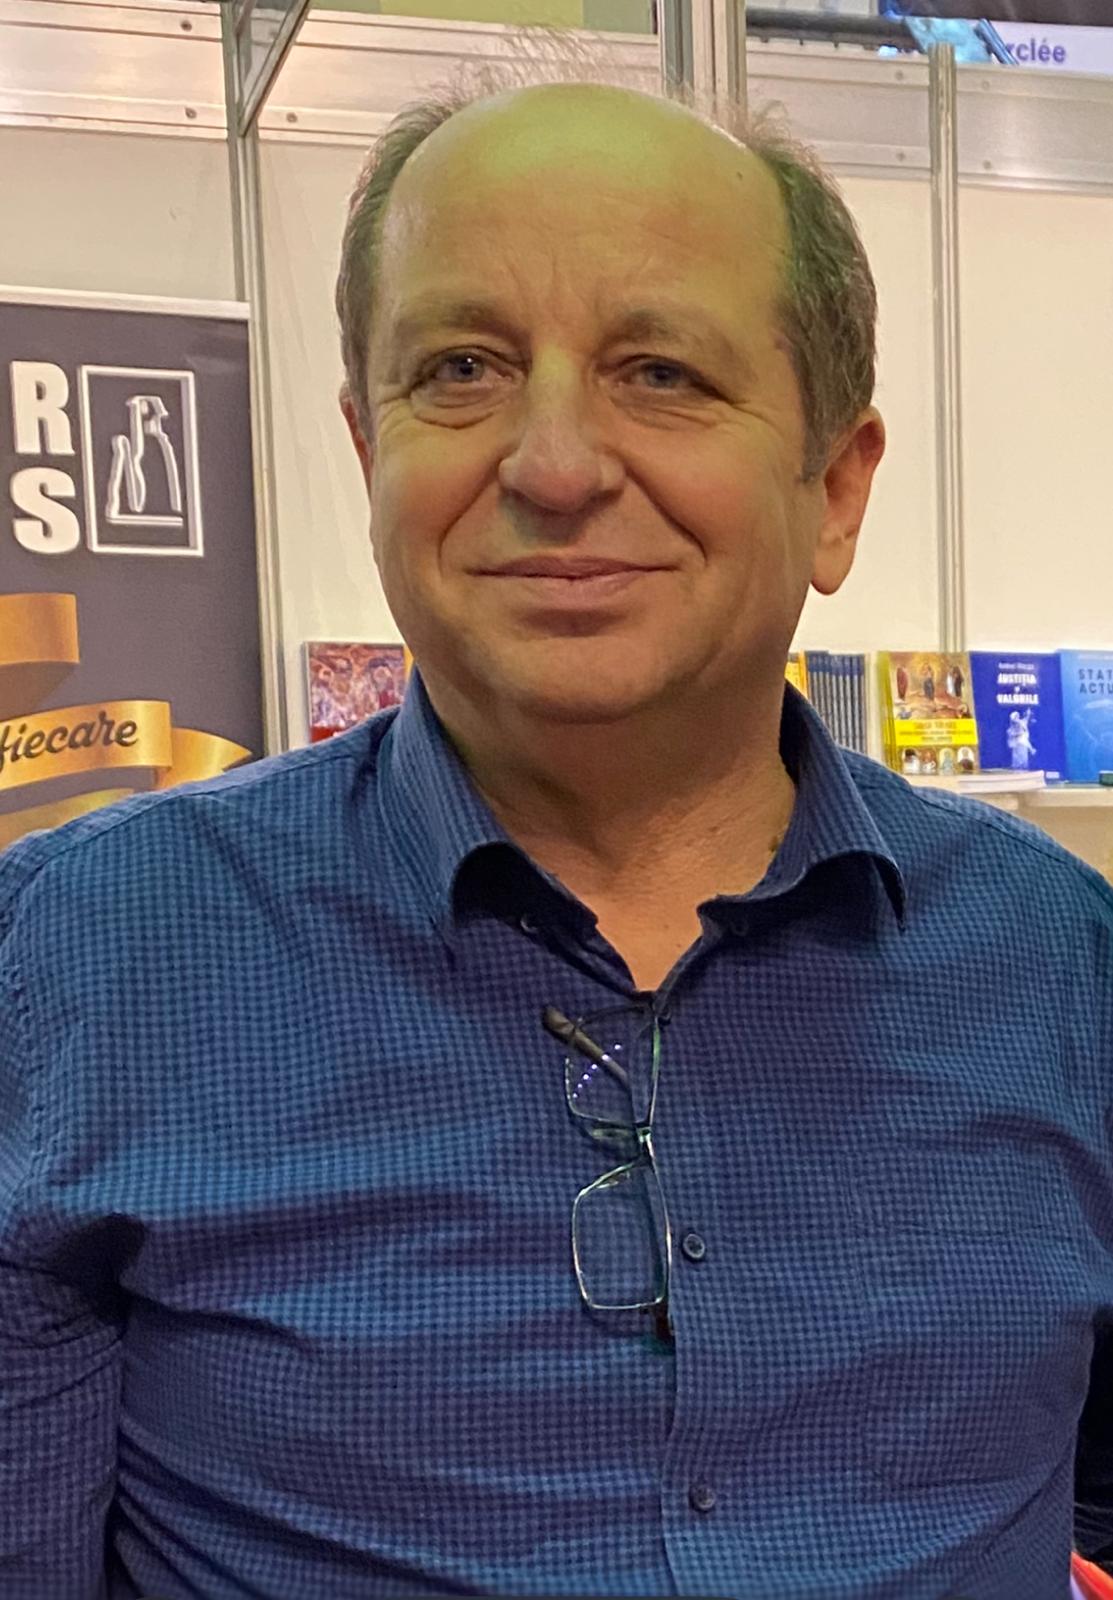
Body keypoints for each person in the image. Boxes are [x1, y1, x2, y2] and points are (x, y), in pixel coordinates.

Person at [1, 51, 1111, 1600]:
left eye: (661, 373)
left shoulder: (1061, 963)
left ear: (836, 490)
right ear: (368, 451)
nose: (554, 466)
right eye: (461, 367)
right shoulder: (77, 958)